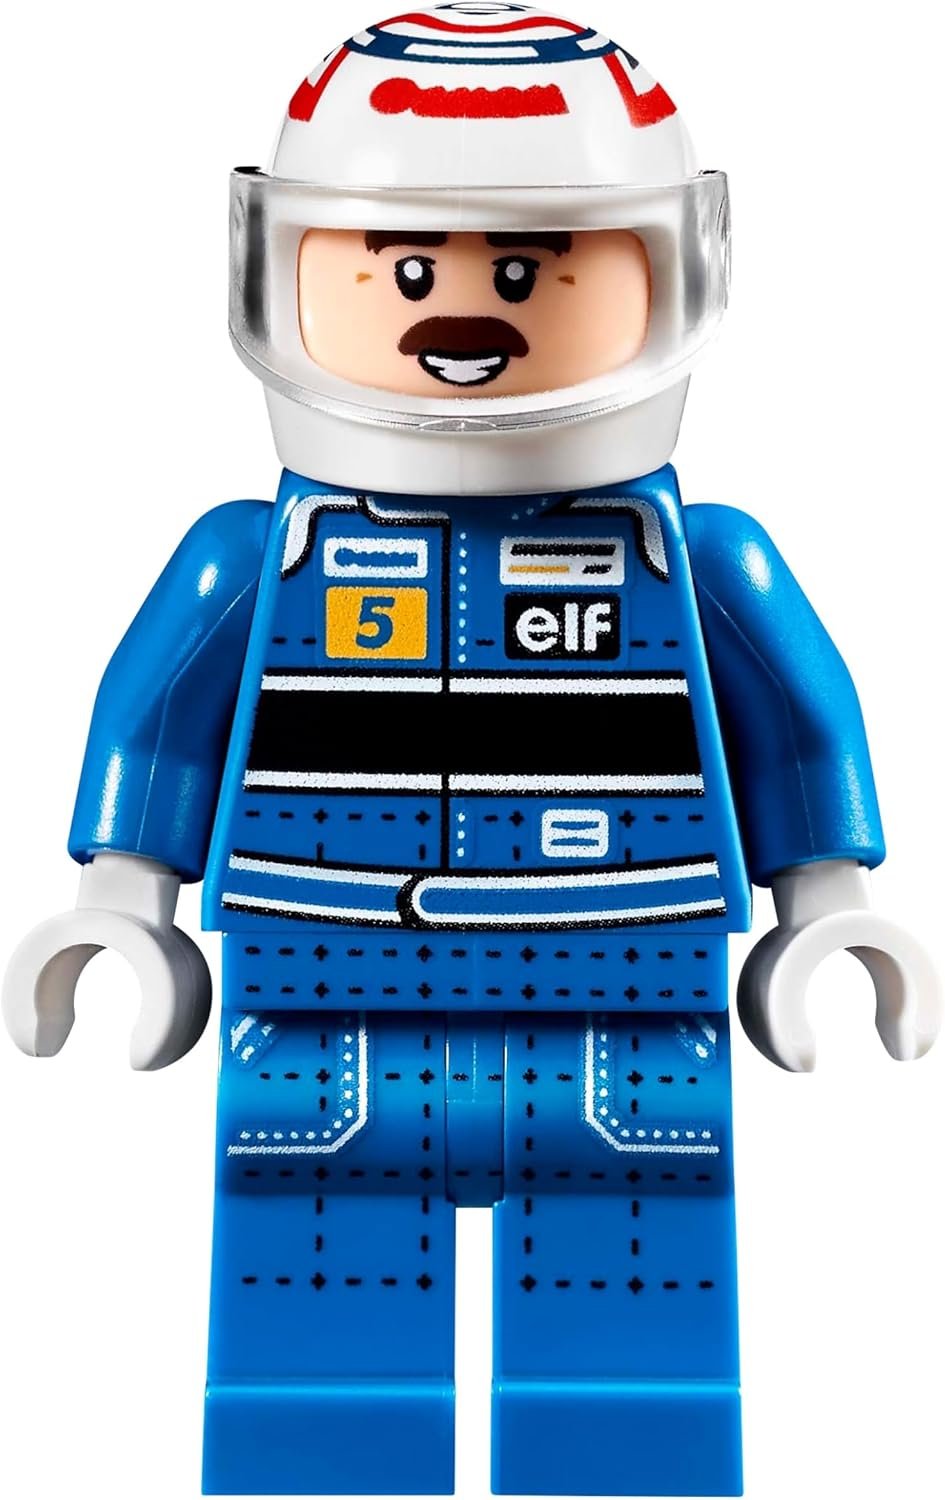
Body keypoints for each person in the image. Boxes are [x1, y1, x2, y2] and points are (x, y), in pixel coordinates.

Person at [4, 6, 939, 1495]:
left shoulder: (698, 562)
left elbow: (796, 728)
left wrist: (826, 912)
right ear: (279, 269)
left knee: (632, 1354)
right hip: (321, 1002)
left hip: (629, 1004)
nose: (458, 320)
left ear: (676, 273)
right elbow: (157, 718)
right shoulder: (256, 557)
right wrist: (123, 907)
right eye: (402, 271)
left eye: (526, 274)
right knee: (314, 1346)